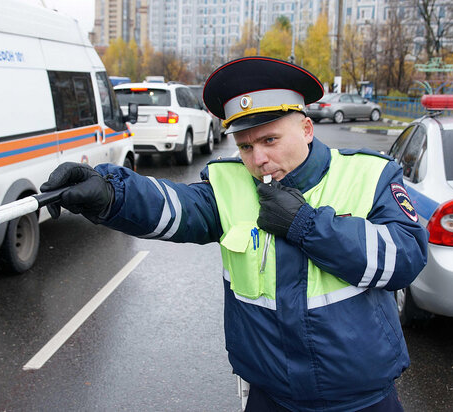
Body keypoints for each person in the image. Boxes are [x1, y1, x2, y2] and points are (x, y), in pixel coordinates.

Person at [40, 57, 428, 412]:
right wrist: (109, 192)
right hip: (270, 396)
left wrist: (308, 226)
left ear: (307, 129)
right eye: (245, 146)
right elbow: (175, 207)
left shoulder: (369, 175)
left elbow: (406, 257)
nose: (257, 159)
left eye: (269, 140)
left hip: (360, 400)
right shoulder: (231, 183)